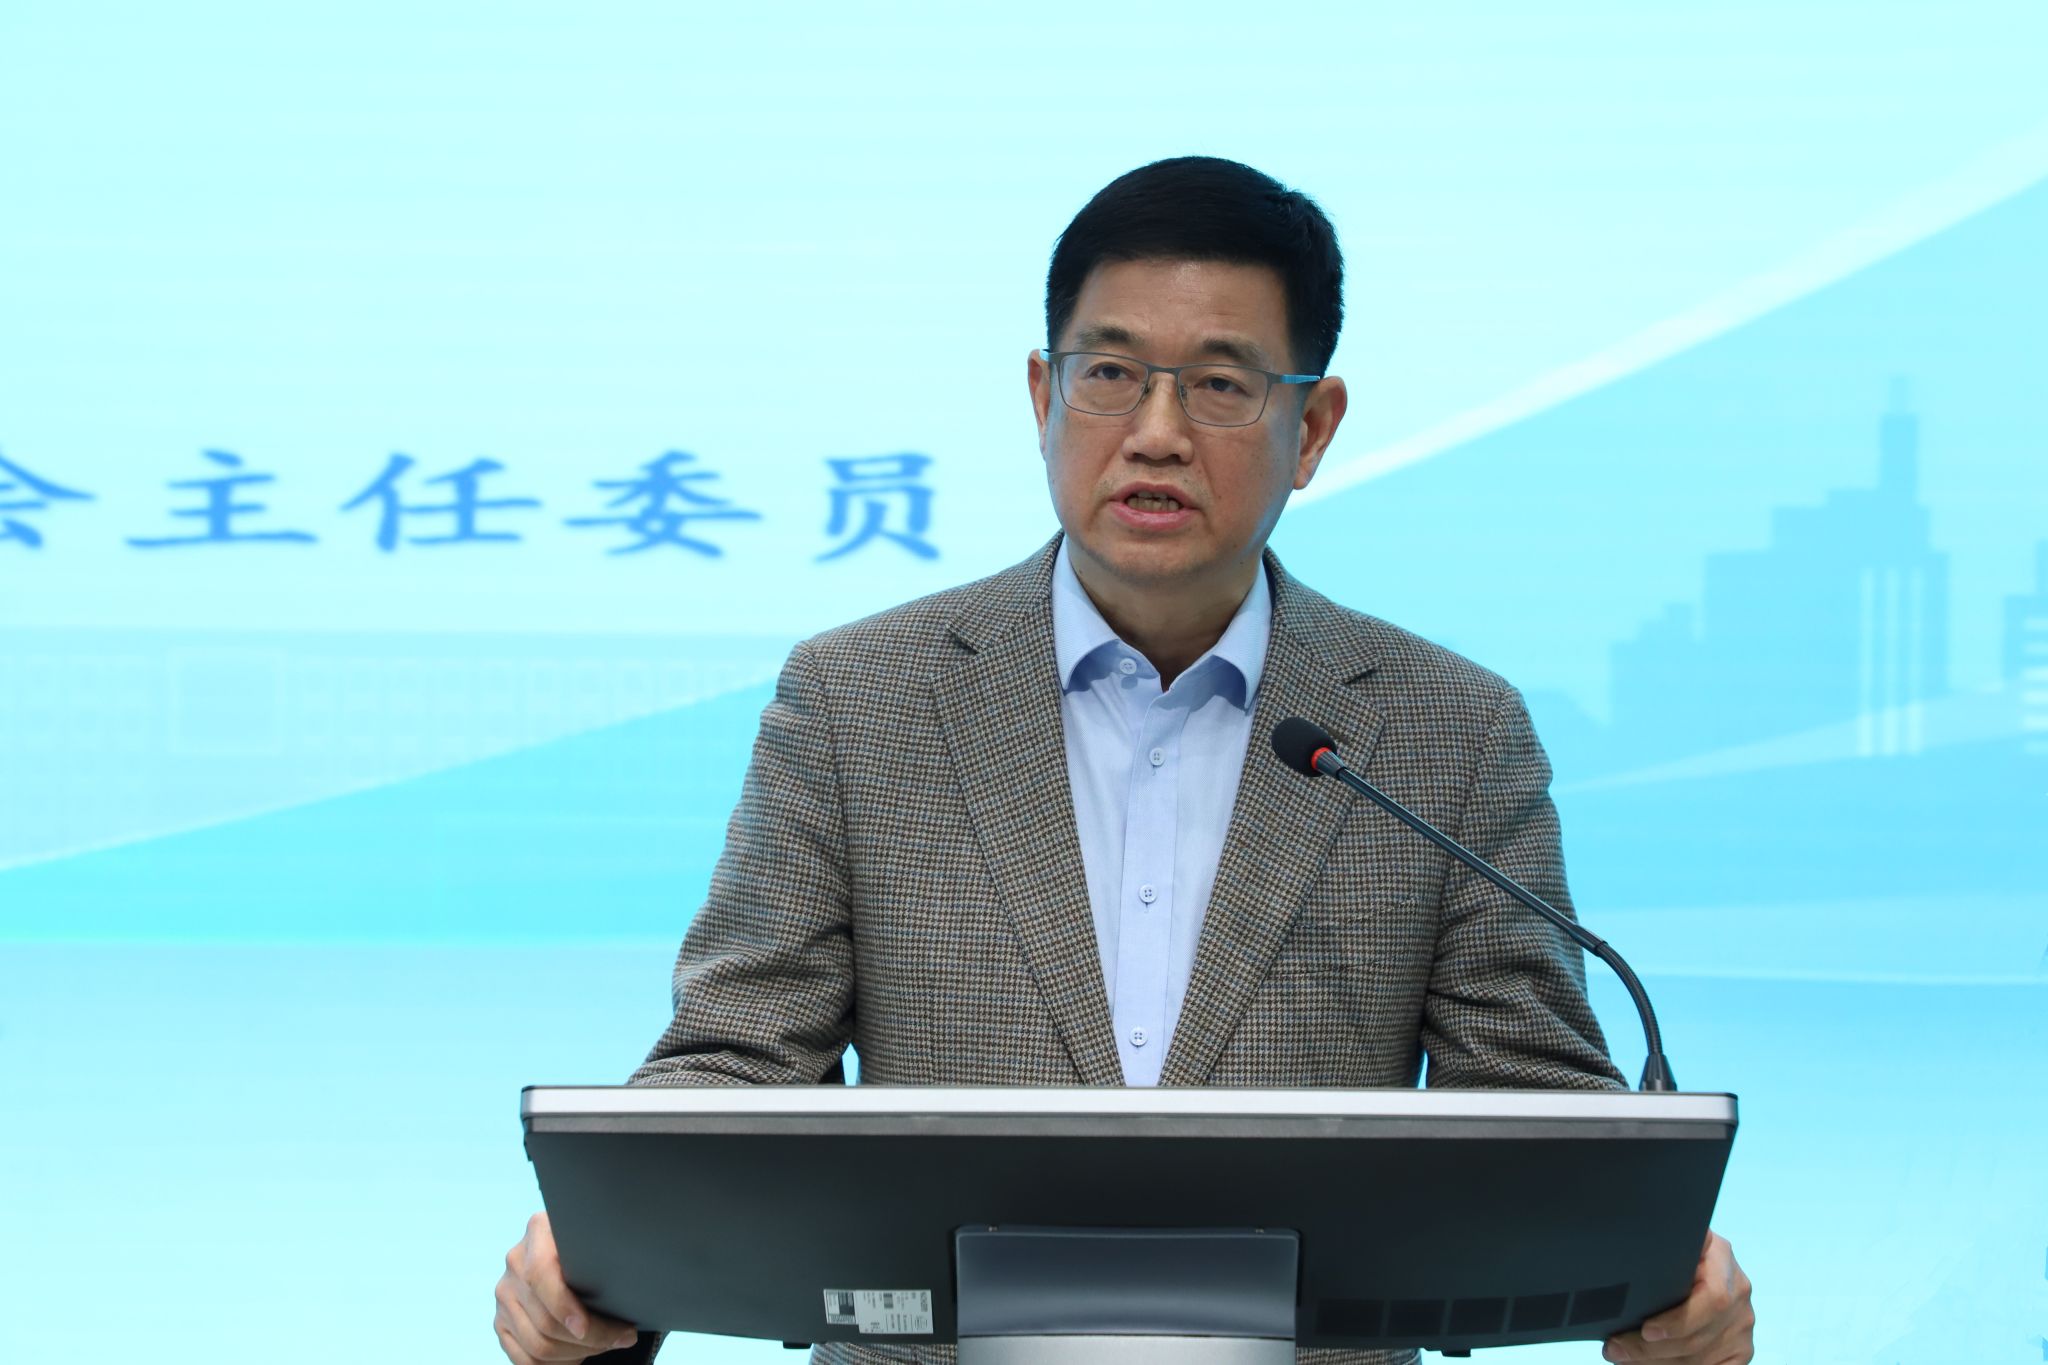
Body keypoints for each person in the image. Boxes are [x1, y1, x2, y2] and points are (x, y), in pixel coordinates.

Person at [493, 157, 1756, 1365]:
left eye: (1218, 385)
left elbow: (1533, 1120)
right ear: (1041, 398)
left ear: (1310, 428)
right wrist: (603, 1266)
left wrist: (1655, 1290)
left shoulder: (1445, 733)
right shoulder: (856, 702)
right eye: (1108, 374)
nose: (1155, 434)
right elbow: (737, 1064)